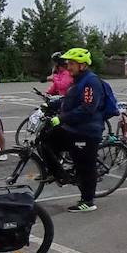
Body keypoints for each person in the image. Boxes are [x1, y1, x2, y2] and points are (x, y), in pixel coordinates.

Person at [39, 47, 105, 212]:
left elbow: (87, 108)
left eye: (71, 64)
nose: (68, 67)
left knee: (85, 167)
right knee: (46, 140)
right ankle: (58, 173)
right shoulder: (78, 80)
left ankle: (88, 201)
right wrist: (51, 105)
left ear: (82, 65)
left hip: (87, 131)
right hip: (73, 128)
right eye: (68, 63)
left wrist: (60, 118)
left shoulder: (91, 81)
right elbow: (68, 100)